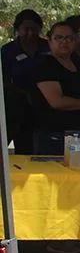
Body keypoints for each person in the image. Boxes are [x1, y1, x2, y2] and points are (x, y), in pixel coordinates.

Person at [31, 21, 80, 153]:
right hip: (55, 135)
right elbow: (57, 101)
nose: (64, 42)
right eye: (59, 37)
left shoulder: (79, 64)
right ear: (49, 40)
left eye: (69, 38)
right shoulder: (44, 65)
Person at [2, 9, 48, 153]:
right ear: (17, 29)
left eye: (34, 29)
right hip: (16, 106)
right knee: (22, 145)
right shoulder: (8, 51)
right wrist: (23, 93)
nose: (30, 33)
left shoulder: (48, 47)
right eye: (25, 29)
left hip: (45, 104)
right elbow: (3, 79)